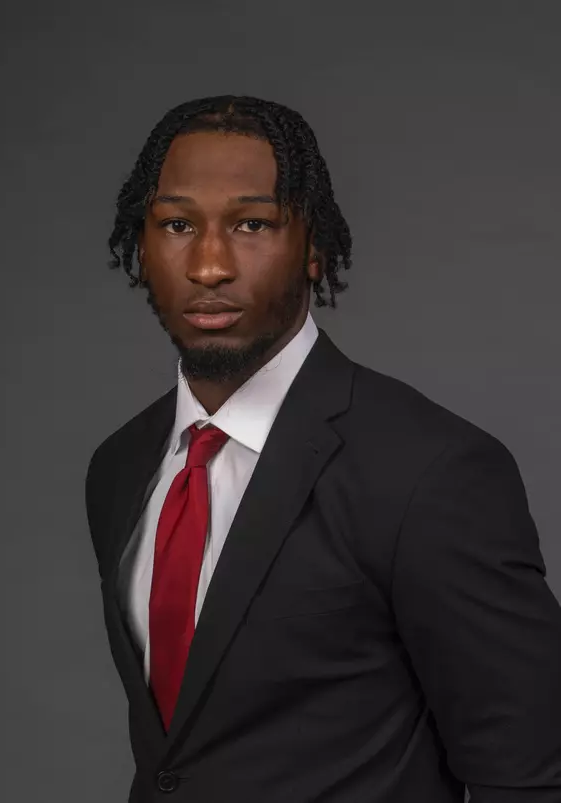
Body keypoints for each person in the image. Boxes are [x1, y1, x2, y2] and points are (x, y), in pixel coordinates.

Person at [84, 95, 561, 803]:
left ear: (313, 248)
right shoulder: (121, 465)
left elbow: (529, 775)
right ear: (141, 244)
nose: (209, 264)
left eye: (251, 223)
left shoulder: (428, 472)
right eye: (177, 224)